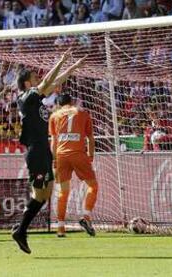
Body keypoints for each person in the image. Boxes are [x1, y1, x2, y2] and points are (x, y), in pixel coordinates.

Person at [12, 49, 86, 254]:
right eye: (33, 78)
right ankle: (20, 230)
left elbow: (53, 83)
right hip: (35, 152)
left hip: (44, 151)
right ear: (27, 83)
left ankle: (20, 228)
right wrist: (61, 60)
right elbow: (47, 80)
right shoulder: (26, 98)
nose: (37, 80)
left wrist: (73, 67)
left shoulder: (35, 98)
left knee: (46, 193)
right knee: (39, 194)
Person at [49, 93, 98, 238]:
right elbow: (90, 138)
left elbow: (53, 140)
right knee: (93, 186)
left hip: (61, 155)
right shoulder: (82, 113)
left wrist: (54, 159)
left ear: (58, 104)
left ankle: (60, 228)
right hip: (78, 154)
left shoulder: (54, 116)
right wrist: (90, 156)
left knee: (63, 192)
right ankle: (86, 216)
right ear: (72, 102)